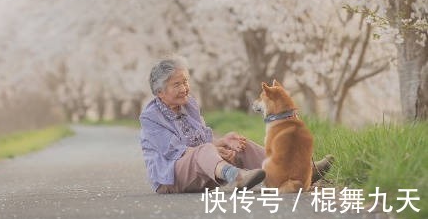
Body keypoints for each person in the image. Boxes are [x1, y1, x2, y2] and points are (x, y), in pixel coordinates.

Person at [139, 57, 333, 194]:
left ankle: (299, 171)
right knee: (206, 149)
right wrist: (215, 150)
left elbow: (203, 139)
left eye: (185, 82)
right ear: (160, 93)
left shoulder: (189, 103)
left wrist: (223, 142)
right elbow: (177, 152)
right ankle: (237, 177)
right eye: (177, 85)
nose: (184, 88)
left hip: (204, 168)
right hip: (171, 179)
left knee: (240, 144)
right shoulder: (150, 117)